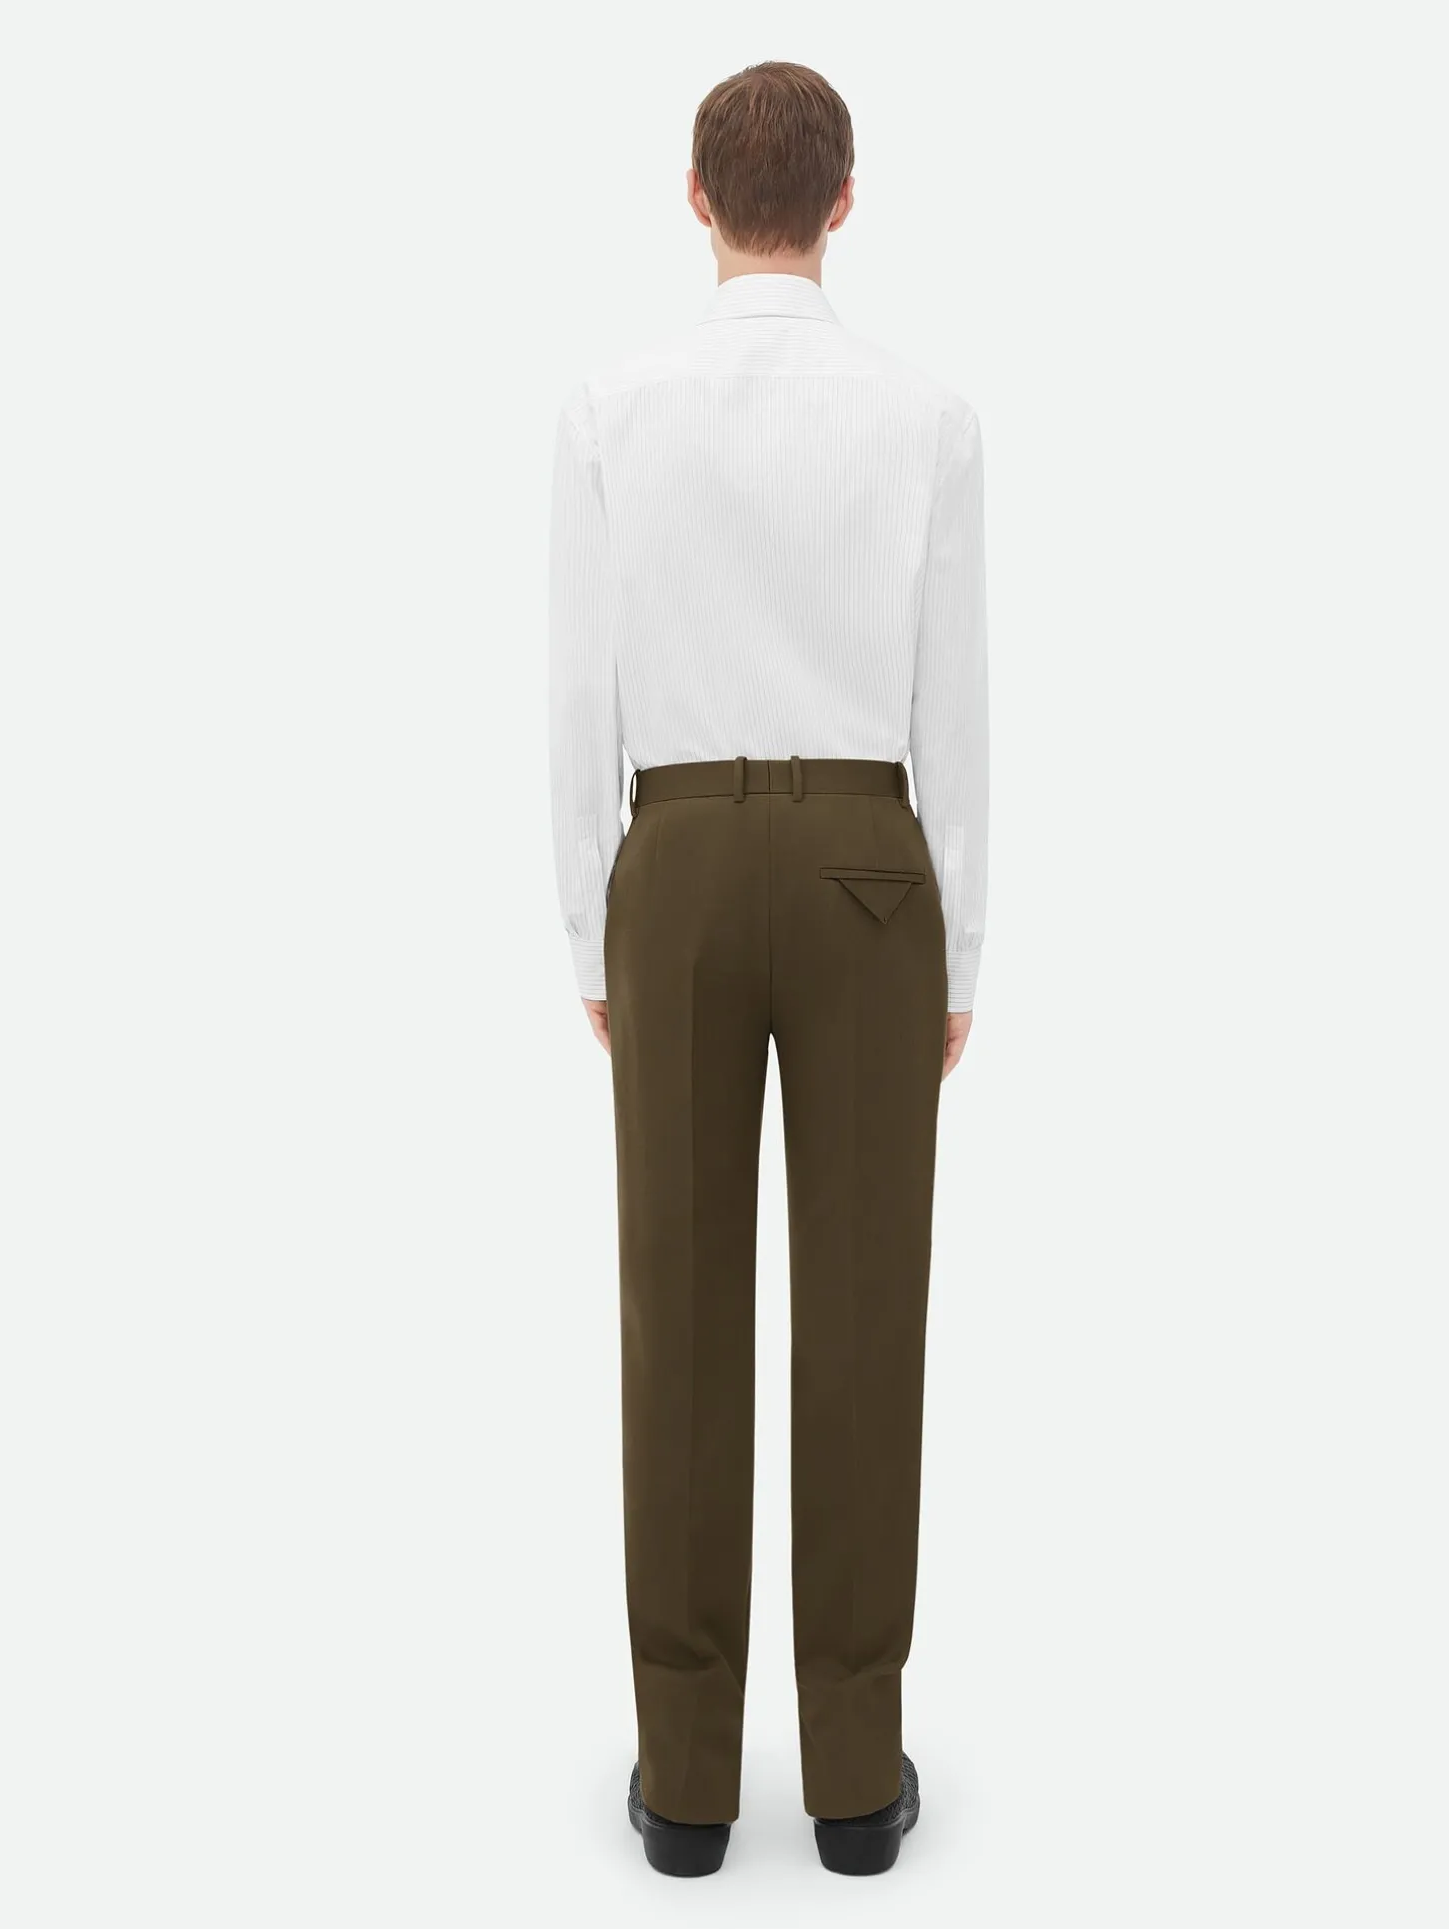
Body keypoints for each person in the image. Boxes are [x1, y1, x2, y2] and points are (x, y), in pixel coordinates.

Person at [548, 60, 988, 1879]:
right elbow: (950, 700)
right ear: (845, 199)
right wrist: (960, 943)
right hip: (871, 862)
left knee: (676, 1308)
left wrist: (591, 920)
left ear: (694, 197)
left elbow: (579, 689)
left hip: (675, 860)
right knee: (866, 1313)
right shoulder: (927, 418)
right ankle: (855, 1781)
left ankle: (684, 1788)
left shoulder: (610, 409)